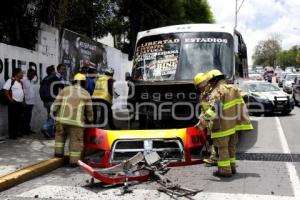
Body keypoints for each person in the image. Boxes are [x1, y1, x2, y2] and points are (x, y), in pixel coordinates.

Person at [195, 69, 253, 177]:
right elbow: (245, 98)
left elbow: (214, 109)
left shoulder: (217, 91)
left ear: (212, 81)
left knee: (222, 150)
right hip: (233, 126)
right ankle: (232, 168)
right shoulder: (233, 88)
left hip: (221, 127)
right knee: (231, 148)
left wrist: (202, 123)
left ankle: (225, 170)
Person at [52, 73, 93, 166]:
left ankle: (58, 154)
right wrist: (90, 119)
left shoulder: (65, 90)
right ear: (83, 83)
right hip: (76, 123)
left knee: (59, 137)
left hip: (61, 120)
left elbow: (56, 103)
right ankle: (73, 162)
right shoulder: (85, 93)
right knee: (75, 141)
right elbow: (89, 110)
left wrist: (53, 111)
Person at [193, 73, 217, 166]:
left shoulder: (214, 92)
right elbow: (203, 109)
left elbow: (215, 109)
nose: (201, 88)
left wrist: (205, 119)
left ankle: (214, 158)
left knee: (216, 140)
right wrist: (201, 119)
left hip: (215, 120)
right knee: (210, 140)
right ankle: (212, 156)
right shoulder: (203, 95)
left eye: (202, 86)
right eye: (199, 87)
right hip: (208, 121)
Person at [40, 64, 66, 138]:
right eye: (54, 70)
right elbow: (62, 86)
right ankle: (45, 127)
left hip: (45, 100)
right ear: (53, 71)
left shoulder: (46, 78)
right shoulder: (54, 77)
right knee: (53, 116)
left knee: (50, 115)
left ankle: (50, 133)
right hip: (51, 100)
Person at [3, 68, 24, 139]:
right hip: (13, 103)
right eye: (21, 73)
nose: (22, 74)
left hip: (19, 103)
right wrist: (10, 99)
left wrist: (23, 101)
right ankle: (12, 135)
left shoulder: (20, 82)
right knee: (12, 120)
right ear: (17, 73)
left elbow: (22, 92)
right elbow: (5, 90)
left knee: (18, 119)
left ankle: (16, 133)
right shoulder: (11, 80)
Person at [22, 68, 37, 135]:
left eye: (34, 74)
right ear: (28, 73)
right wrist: (23, 101)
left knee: (29, 117)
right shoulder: (24, 80)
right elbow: (22, 91)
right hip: (26, 102)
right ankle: (24, 130)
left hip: (31, 102)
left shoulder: (31, 81)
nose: (33, 76)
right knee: (25, 117)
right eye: (32, 74)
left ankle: (27, 129)